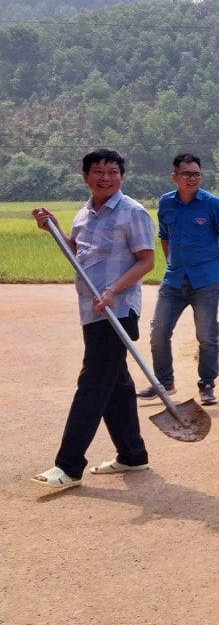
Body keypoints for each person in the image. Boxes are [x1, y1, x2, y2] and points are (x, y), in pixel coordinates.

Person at [31, 148, 156, 492]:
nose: (106, 178)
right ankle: (132, 455)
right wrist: (54, 228)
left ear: (122, 177)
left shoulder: (133, 212)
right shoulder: (84, 215)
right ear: (85, 177)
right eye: (99, 172)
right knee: (115, 384)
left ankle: (68, 466)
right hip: (92, 310)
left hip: (118, 310)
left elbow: (147, 260)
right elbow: (78, 254)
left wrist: (114, 289)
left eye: (113, 172)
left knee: (92, 384)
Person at [139, 153, 219, 407]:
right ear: (175, 177)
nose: (192, 178)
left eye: (196, 174)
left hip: (206, 280)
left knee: (206, 336)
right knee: (158, 332)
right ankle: (164, 382)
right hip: (174, 280)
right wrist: (172, 261)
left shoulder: (213, 204)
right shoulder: (166, 203)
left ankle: (207, 385)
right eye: (187, 174)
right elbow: (164, 235)